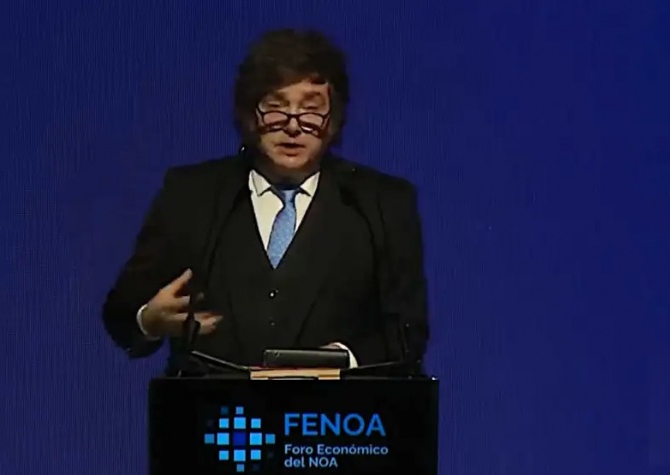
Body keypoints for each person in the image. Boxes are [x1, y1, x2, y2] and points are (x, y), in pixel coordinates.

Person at [102, 28, 429, 373]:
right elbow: (121, 313)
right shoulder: (191, 196)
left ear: (334, 120)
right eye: (275, 108)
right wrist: (149, 321)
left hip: (336, 407)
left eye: (311, 110)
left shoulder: (382, 204)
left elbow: (408, 333)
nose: (293, 126)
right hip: (212, 405)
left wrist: (339, 361)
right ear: (248, 114)